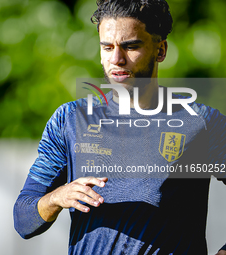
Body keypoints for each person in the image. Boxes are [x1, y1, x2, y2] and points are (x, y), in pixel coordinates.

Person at [14, 0, 226, 254]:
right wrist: (58, 197)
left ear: (160, 50)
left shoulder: (201, 122)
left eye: (131, 46)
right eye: (107, 47)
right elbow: (24, 220)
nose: (116, 59)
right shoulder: (70, 120)